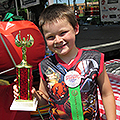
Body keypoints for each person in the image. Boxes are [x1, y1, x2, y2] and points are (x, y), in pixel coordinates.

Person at [14, 4, 116, 120]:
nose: (58, 40)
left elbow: (107, 94)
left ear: (76, 29)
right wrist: (31, 95)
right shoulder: (45, 65)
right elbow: (44, 98)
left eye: (63, 33)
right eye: (50, 37)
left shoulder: (94, 59)